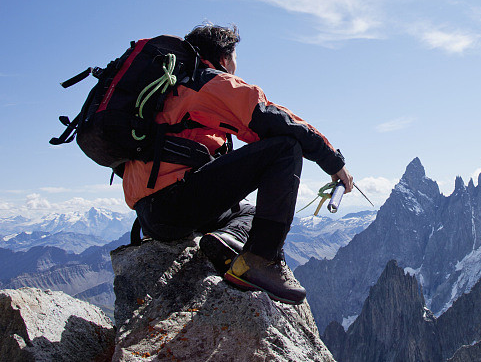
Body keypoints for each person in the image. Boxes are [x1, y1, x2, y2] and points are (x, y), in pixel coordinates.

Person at [122, 23, 353, 305]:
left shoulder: (170, 90)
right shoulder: (209, 82)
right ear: (224, 58)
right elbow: (277, 121)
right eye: (233, 58)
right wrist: (334, 162)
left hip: (152, 214)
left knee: (248, 213)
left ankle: (226, 241)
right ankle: (260, 260)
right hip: (174, 203)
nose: (234, 66)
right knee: (285, 148)